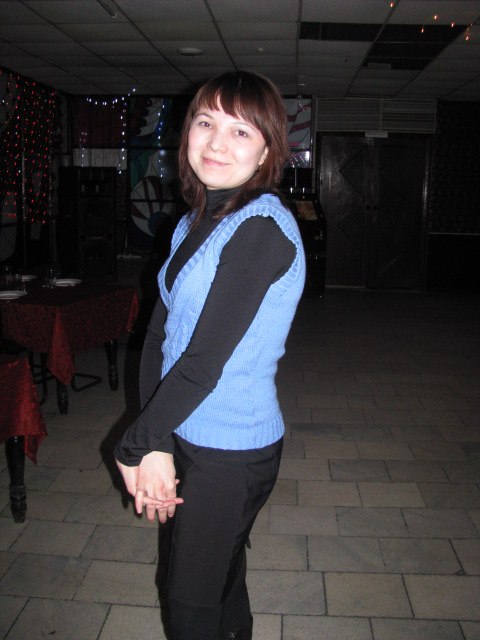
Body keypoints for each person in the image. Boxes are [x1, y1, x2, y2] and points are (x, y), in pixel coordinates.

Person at [114, 70, 306, 640]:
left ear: (267, 151)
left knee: (188, 598)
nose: (217, 143)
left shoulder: (261, 230)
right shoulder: (194, 222)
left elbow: (201, 363)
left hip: (232, 450)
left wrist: (133, 444)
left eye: (241, 131)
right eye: (206, 123)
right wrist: (156, 442)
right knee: (219, 580)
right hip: (186, 430)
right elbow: (157, 336)